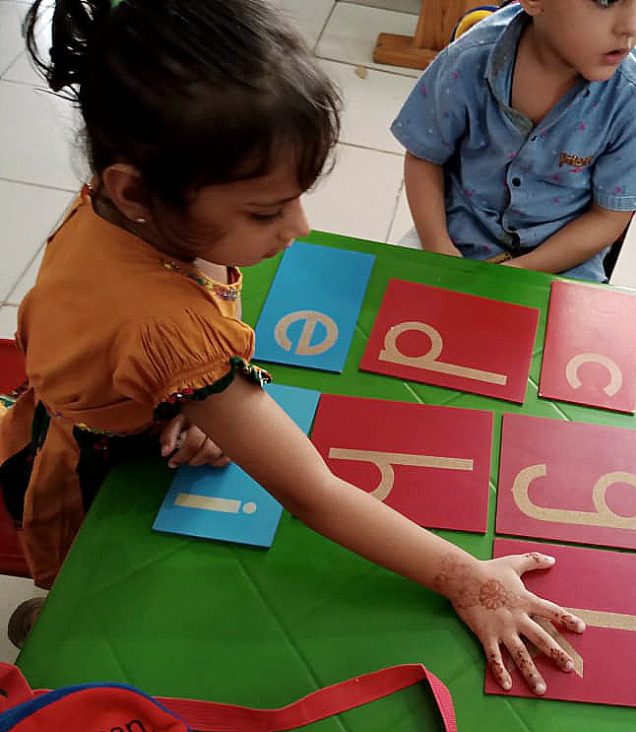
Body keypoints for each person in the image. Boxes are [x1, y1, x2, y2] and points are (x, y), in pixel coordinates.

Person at [0, 0, 583, 695]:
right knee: (101, 593)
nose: (300, 227)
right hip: (89, 475)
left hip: (96, 410)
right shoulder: (167, 328)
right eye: (265, 211)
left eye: (296, 198)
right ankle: (58, 623)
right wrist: (468, 578)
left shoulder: (127, 206)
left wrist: (185, 400)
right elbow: (310, 491)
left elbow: (131, 337)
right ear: (136, 192)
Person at [391, 0, 636, 282]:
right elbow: (424, 157)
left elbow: (609, 217)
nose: (633, 26)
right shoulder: (469, 58)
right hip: (452, 238)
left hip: (562, 263)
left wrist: (514, 274)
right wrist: (438, 246)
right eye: (605, 1)